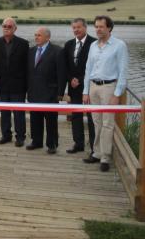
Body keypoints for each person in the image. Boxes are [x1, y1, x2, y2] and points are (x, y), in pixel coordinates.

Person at [83, 16, 128, 172]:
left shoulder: (119, 45)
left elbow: (123, 72)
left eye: (101, 27)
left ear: (109, 28)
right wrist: (85, 91)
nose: (98, 29)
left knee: (108, 123)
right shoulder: (93, 45)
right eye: (96, 27)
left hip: (109, 88)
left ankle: (105, 157)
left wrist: (117, 94)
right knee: (96, 122)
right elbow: (88, 69)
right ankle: (96, 152)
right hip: (93, 87)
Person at [26, 27, 66, 154]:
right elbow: (28, 72)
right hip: (34, 91)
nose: (36, 37)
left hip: (50, 92)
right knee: (34, 118)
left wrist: (60, 93)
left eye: (39, 35)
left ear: (47, 37)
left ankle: (52, 143)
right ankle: (36, 141)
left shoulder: (57, 51)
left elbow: (62, 74)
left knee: (51, 120)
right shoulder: (31, 51)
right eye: (35, 35)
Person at [0, 18, 29, 147]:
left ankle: (20, 137)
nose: (6, 27)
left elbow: (26, 65)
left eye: (9, 26)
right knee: (4, 112)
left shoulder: (24, 44)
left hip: (18, 85)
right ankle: (6, 135)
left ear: (15, 28)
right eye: (4, 26)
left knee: (19, 113)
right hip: (1, 84)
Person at [63, 18, 96, 154]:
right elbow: (65, 65)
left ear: (85, 28)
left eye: (79, 27)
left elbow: (95, 66)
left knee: (91, 118)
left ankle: (94, 147)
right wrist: (71, 79)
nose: (76, 30)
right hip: (73, 87)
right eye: (74, 28)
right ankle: (78, 143)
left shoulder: (94, 43)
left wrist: (81, 80)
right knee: (76, 116)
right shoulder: (68, 44)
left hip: (90, 86)